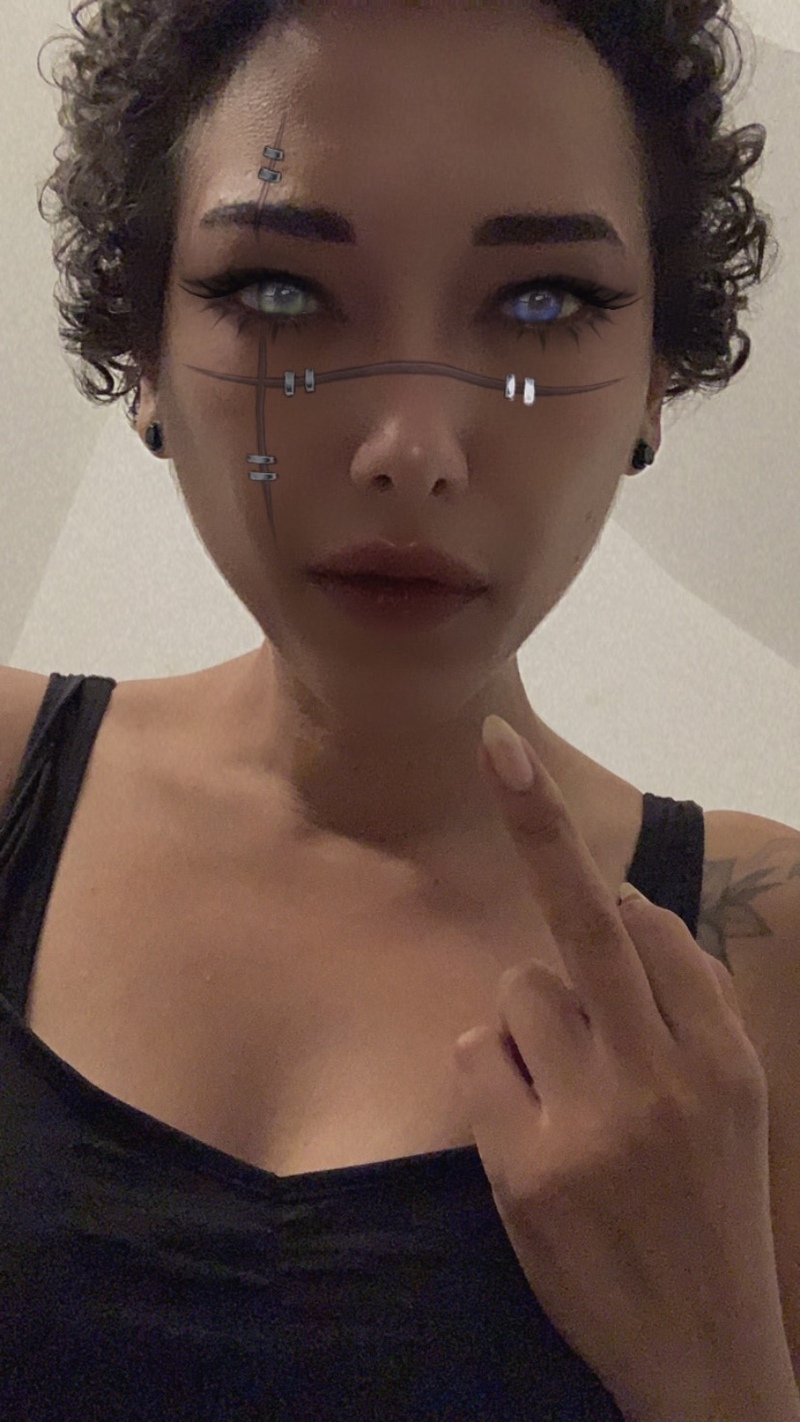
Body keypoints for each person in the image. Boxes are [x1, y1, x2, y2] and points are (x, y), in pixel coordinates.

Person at [0, 1, 785, 1418]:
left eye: (542, 300)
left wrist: (719, 1370)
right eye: (280, 291)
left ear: (659, 379)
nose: (411, 448)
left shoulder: (766, 959)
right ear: (143, 349)